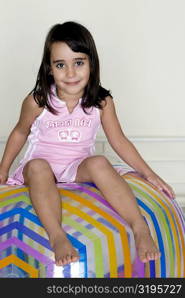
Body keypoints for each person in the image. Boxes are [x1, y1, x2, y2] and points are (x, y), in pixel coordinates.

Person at [0, 21, 175, 267]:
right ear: (49, 69)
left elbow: (119, 140)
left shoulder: (101, 103)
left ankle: (139, 227)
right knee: (39, 166)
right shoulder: (38, 100)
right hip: (38, 168)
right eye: (61, 65)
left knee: (100, 162)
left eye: (79, 63)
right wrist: (3, 168)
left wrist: (149, 174)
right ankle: (57, 235)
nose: (71, 73)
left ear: (91, 64)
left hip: (75, 167)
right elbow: (19, 132)